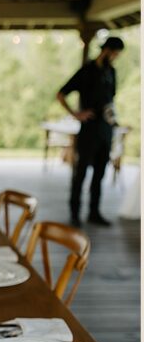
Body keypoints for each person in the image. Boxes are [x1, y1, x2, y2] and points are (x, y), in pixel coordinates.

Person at [57, 36, 124, 226]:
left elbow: (110, 100)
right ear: (108, 50)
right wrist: (76, 114)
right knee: (81, 171)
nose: (116, 57)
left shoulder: (111, 71)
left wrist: (113, 120)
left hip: (106, 128)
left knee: (100, 172)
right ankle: (75, 212)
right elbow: (61, 94)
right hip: (89, 128)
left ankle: (94, 212)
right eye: (115, 53)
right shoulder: (86, 71)